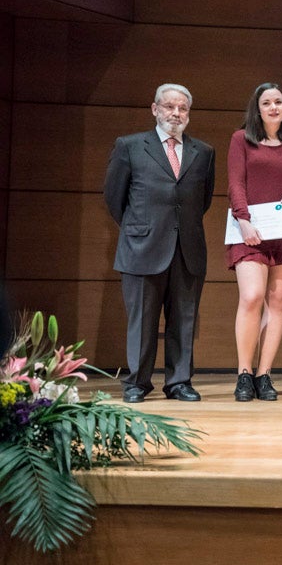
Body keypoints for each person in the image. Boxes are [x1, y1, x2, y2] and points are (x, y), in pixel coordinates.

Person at [103, 84, 215, 403]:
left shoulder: (203, 152)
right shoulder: (130, 146)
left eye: (182, 108)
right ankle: (137, 382)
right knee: (143, 322)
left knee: (184, 320)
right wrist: (139, 227)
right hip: (141, 247)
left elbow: (202, 200)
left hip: (188, 248)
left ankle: (179, 382)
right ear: (155, 109)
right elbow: (114, 197)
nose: (175, 114)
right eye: (169, 107)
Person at [227, 83, 282, 402]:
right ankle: (244, 374)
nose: (274, 107)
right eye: (267, 102)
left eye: (279, 102)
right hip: (250, 230)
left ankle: (264, 374)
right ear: (257, 108)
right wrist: (243, 219)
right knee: (252, 296)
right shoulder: (241, 139)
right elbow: (235, 182)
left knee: (277, 303)